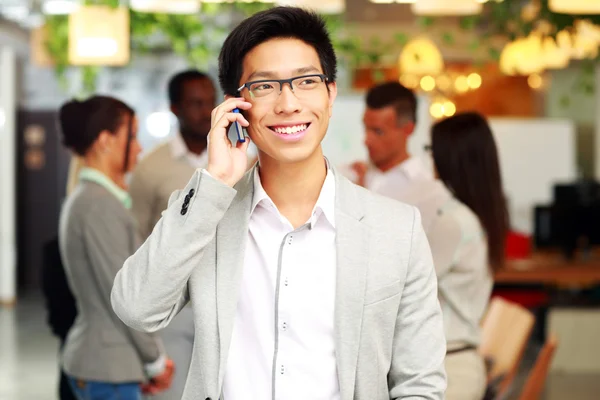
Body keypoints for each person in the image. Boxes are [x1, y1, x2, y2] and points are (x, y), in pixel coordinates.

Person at [111, 7, 446, 400]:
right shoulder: (206, 213)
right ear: (236, 105)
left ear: (330, 92)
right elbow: (137, 307)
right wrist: (216, 181)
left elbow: (420, 383)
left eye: (306, 81)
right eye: (265, 86)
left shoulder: (396, 228)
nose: (288, 104)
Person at [57, 95, 174, 400]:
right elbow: (124, 299)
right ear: (106, 141)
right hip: (106, 369)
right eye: (132, 136)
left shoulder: (95, 199)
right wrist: (155, 362)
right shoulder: (97, 205)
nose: (139, 147)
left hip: (110, 366)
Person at [403, 112, 509, 400]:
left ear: (452, 156)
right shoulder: (475, 215)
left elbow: (407, 283)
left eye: (432, 149)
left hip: (449, 367)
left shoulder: (454, 222)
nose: (431, 158)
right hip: (457, 361)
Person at [128, 70, 217, 399]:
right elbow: (135, 241)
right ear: (175, 109)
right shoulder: (151, 168)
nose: (206, 111)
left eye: (211, 102)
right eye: (196, 103)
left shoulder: (239, 160)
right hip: (172, 308)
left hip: (224, 302)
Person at [350, 81, 433, 198]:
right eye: (366, 128)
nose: (366, 140)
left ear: (408, 129)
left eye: (378, 131)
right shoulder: (350, 176)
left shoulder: (425, 188)